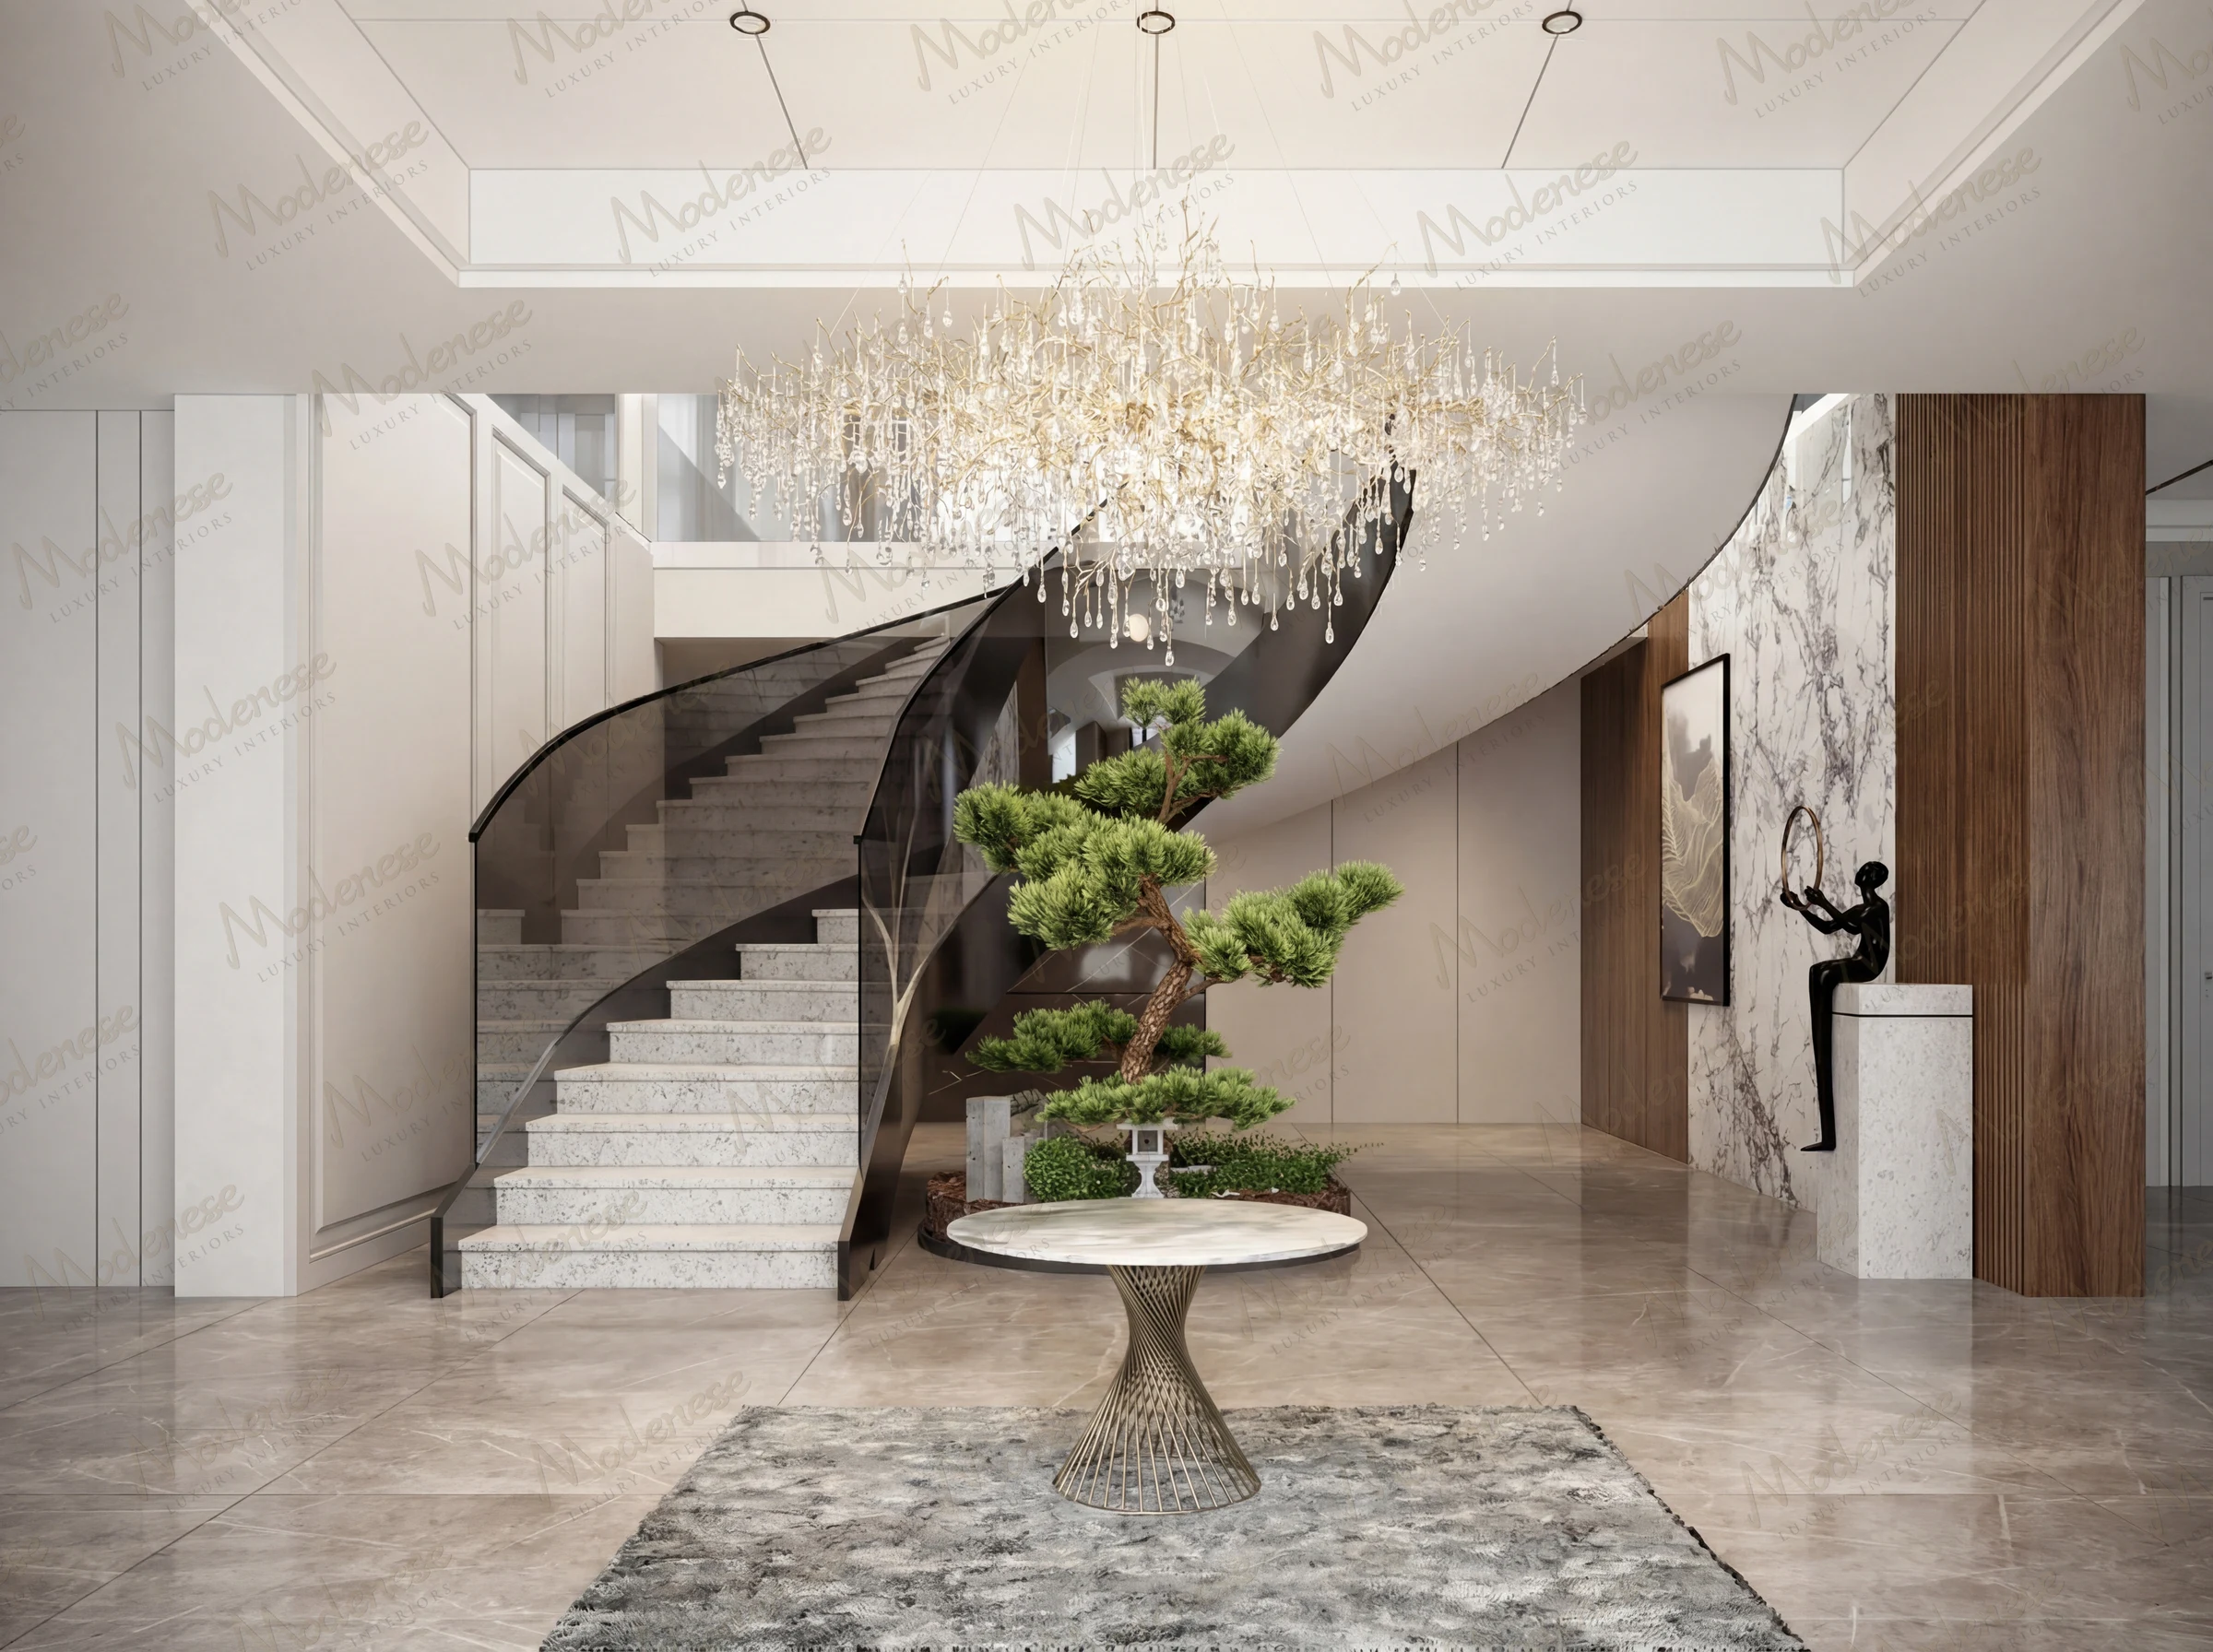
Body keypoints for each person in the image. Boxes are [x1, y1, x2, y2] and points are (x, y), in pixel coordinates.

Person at [1781, 860, 1892, 1152]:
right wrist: (1801, 908)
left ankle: (1821, 1025)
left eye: (1867, 870)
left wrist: (1822, 901)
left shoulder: (1877, 907)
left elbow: (1850, 925)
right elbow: (1831, 927)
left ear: (1873, 878)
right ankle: (1820, 1025)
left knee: (1822, 972)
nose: (1861, 871)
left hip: (1868, 966)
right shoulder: (1862, 907)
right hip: (1858, 961)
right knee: (1818, 971)